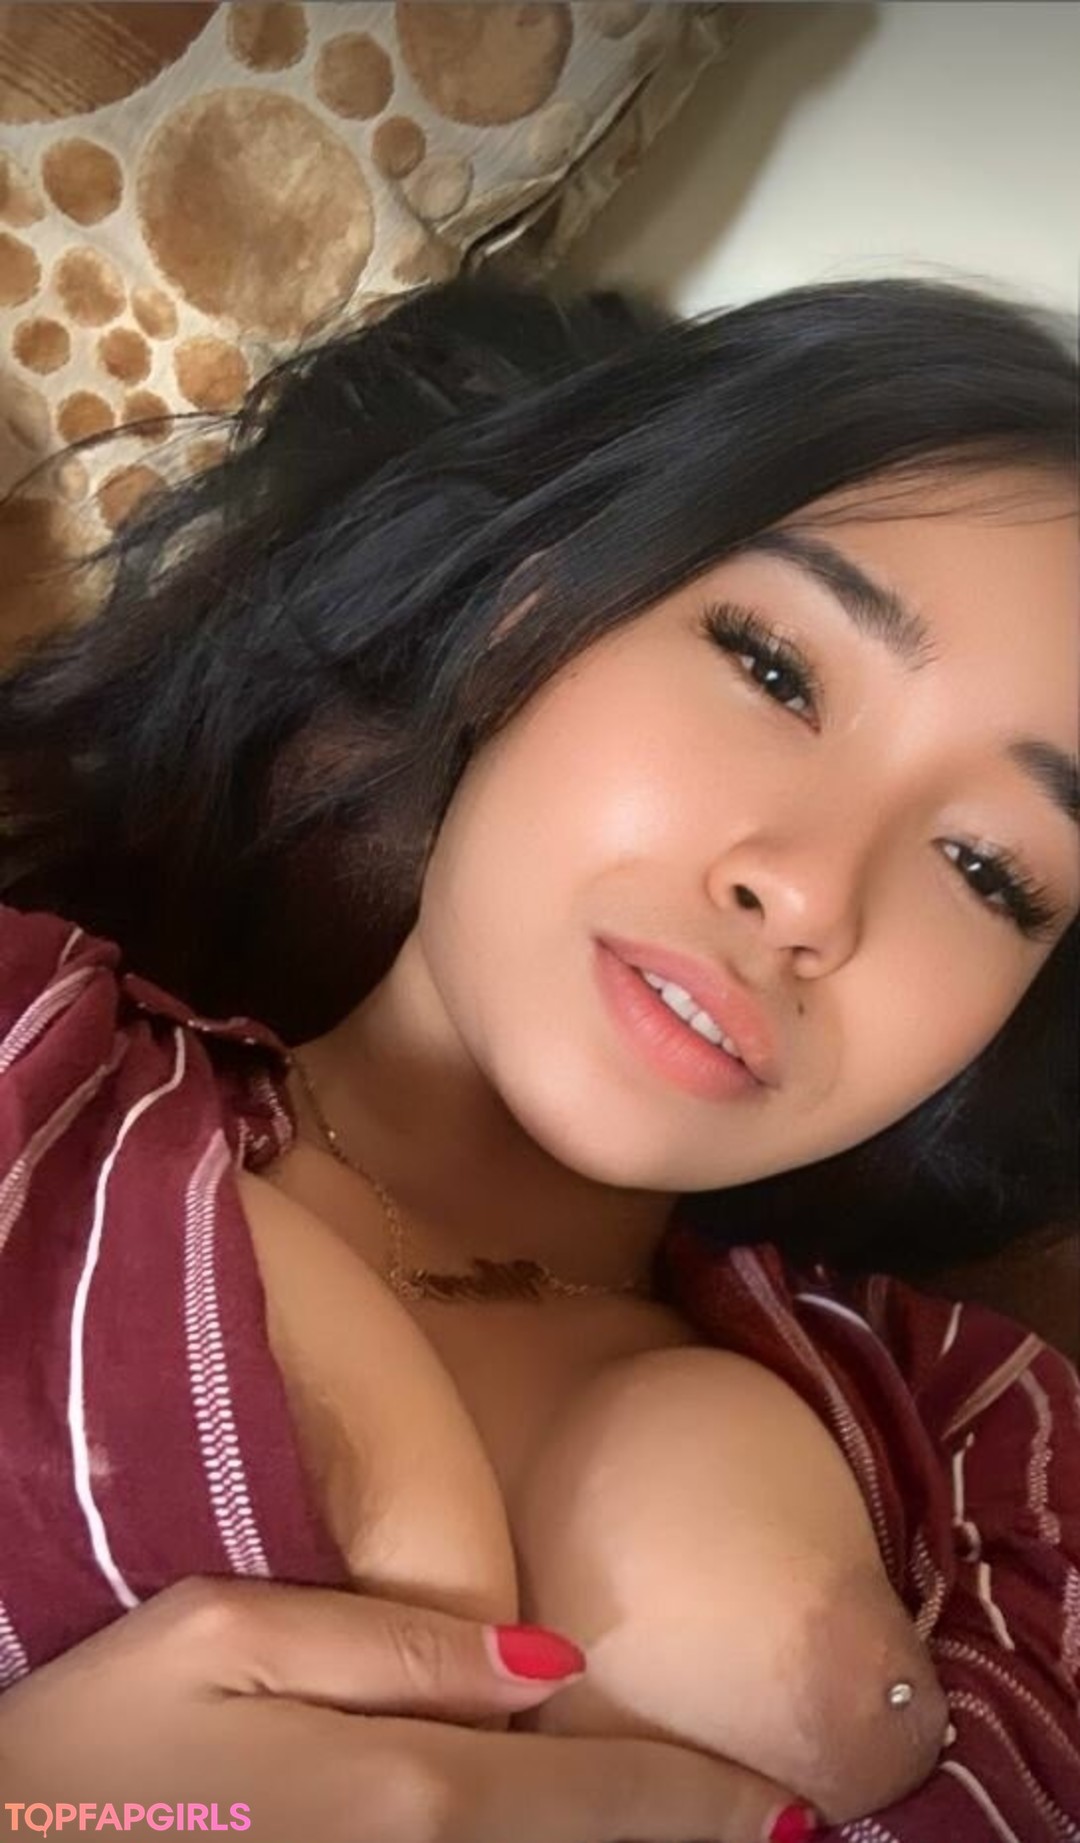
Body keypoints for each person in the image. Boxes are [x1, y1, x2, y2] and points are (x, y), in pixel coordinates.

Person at [0, 275, 1076, 1843]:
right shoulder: (26, 1058)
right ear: (534, 613)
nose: (807, 897)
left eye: (990, 871)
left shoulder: (992, 1461)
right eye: (776, 672)